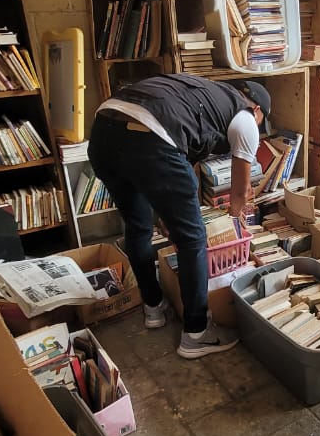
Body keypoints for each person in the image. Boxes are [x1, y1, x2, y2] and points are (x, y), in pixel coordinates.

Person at [88, 73, 270, 359]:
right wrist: (234, 228)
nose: (259, 129)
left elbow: (167, 171)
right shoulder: (246, 117)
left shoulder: (205, 93)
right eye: (262, 123)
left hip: (103, 131)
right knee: (192, 239)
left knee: (137, 226)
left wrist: (165, 213)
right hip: (149, 137)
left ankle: (153, 308)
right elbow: (239, 192)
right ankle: (197, 333)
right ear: (257, 110)